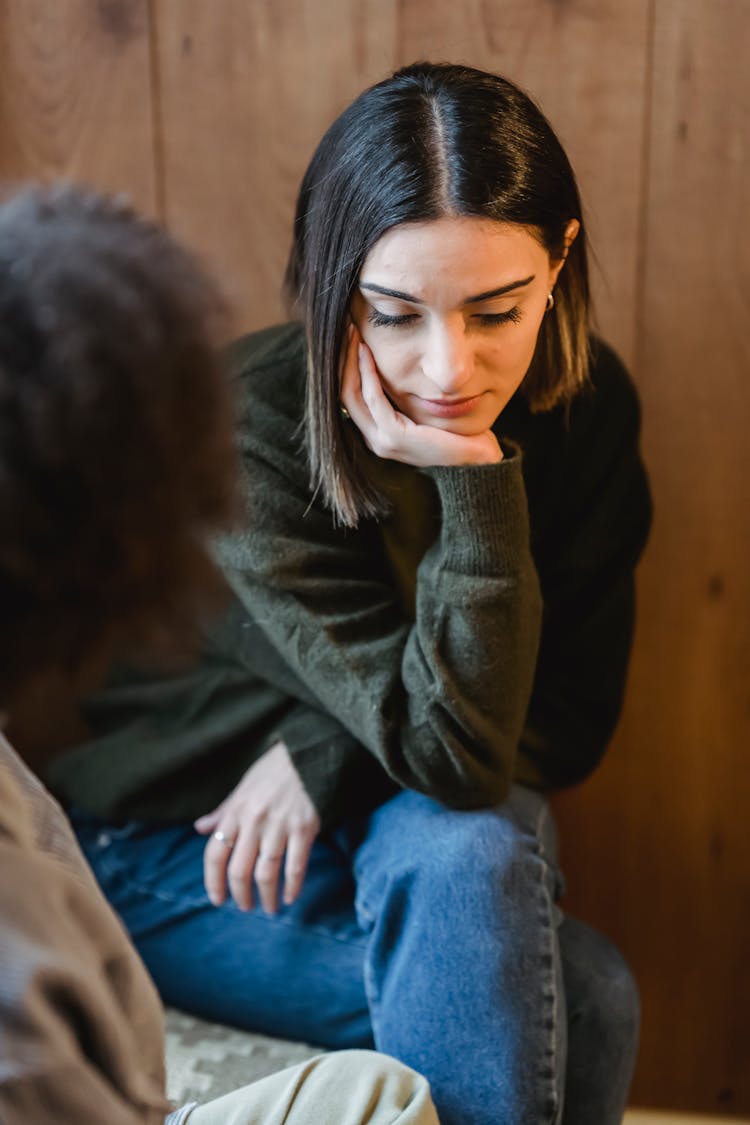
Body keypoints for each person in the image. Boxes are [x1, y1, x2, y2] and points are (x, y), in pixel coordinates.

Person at [46, 63, 652, 1125]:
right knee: (585, 992)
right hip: (167, 858)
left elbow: (554, 724)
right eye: (393, 314)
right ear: (335, 283)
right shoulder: (252, 431)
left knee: (470, 841)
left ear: (559, 259)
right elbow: (454, 751)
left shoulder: (587, 415)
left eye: (496, 311)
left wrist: (323, 759)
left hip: (396, 829)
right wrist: (477, 488)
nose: (446, 369)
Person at [0, 184, 439, 1125]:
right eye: (398, 312)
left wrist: (322, 750)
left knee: (382, 1086)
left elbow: (522, 722)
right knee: (528, 972)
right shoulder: (23, 1014)